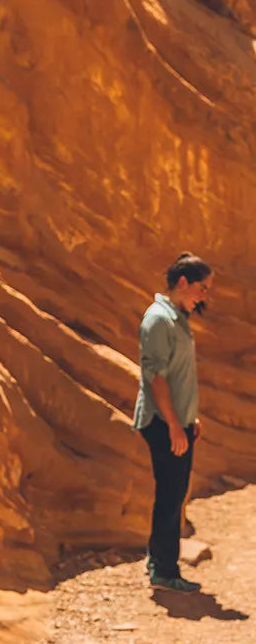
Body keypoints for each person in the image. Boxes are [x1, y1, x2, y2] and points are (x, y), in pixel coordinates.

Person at [133, 251, 212, 593]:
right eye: (202, 287)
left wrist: (190, 416)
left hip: (178, 421)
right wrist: (174, 425)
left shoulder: (177, 318)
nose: (204, 295)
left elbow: (180, 375)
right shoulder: (158, 319)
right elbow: (156, 378)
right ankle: (164, 571)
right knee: (170, 494)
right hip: (162, 423)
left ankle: (160, 562)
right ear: (183, 282)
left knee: (175, 492)